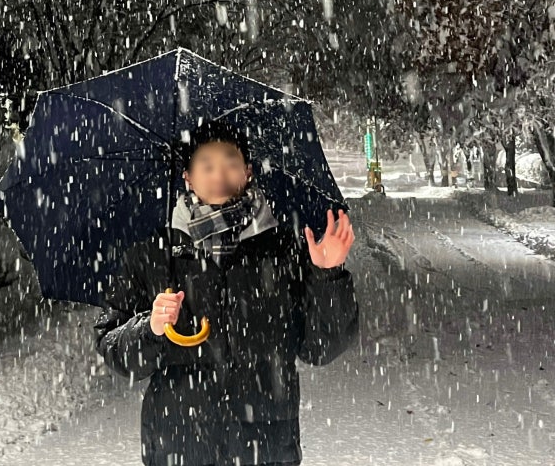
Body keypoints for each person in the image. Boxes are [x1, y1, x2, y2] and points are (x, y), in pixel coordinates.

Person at [94, 118, 359, 466]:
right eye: (206, 165)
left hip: (265, 446)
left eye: (231, 162)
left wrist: (328, 275)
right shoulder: (152, 255)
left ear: (248, 172)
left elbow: (320, 348)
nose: (219, 174)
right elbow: (113, 347)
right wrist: (150, 328)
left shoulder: (283, 250)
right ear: (188, 177)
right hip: (179, 445)